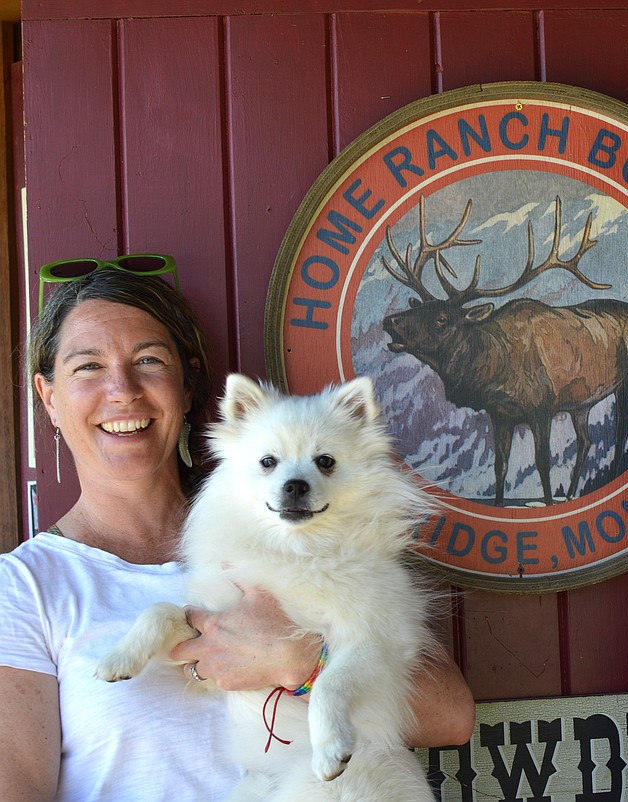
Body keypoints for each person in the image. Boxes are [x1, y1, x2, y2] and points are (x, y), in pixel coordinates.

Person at [0, 263, 475, 801]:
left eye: (148, 360)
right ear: (48, 397)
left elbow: (452, 717)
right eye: (87, 366)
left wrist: (298, 659)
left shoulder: (326, 540)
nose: (122, 389)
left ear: (187, 388)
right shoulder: (25, 588)